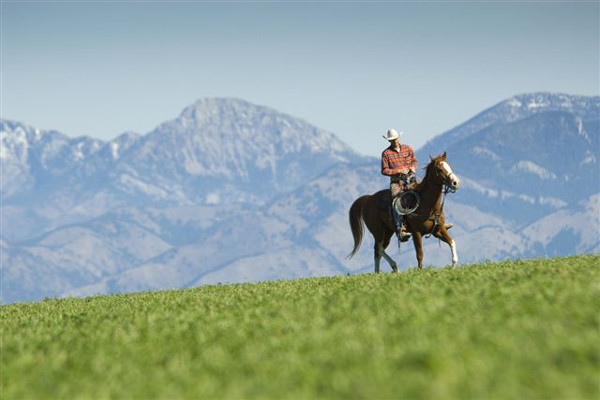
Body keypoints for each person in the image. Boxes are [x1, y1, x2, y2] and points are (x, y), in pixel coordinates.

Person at [381, 128, 417, 241]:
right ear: (389, 141)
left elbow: (414, 161)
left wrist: (413, 167)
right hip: (396, 182)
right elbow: (384, 170)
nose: (394, 141)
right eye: (392, 140)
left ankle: (434, 220)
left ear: (398, 138)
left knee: (424, 191)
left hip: (410, 178)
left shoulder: (408, 149)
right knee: (396, 202)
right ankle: (400, 228)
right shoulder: (386, 153)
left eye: (395, 139)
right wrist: (399, 171)